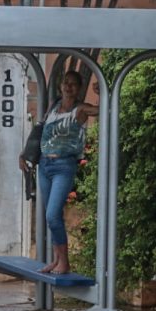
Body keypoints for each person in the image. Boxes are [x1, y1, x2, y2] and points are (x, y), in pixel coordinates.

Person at [19, 70, 98, 274]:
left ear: (79, 88)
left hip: (64, 166)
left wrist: (102, 94)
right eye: (66, 83)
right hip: (45, 165)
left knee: (52, 214)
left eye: (73, 84)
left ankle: (64, 263)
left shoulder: (80, 109)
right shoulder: (53, 106)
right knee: (51, 216)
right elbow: (39, 132)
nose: (68, 86)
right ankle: (57, 260)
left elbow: (102, 110)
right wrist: (25, 154)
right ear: (61, 86)